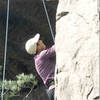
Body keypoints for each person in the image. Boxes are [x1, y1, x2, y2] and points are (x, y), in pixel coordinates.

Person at [25, 33, 56, 100]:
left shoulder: (37, 59)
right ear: (37, 47)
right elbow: (57, 47)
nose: (41, 40)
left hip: (52, 90)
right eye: (39, 41)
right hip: (55, 88)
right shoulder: (42, 55)